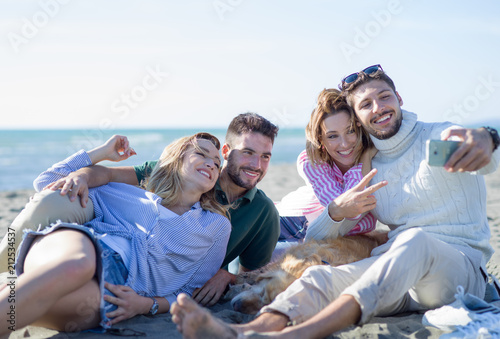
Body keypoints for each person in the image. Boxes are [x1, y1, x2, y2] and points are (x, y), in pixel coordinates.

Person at [169, 64, 500, 339]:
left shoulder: (440, 134)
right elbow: (324, 232)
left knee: (414, 241)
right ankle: (248, 333)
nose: (378, 108)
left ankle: (295, 336)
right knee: (319, 277)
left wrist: (488, 138)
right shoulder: (371, 163)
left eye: (384, 97)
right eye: (366, 104)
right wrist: (338, 210)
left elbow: (485, 157)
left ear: (399, 98)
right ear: (358, 116)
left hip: (459, 271)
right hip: (400, 274)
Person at [0, 112, 280, 307]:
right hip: (98, 226)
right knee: (48, 199)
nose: (256, 164)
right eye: (248, 152)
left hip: (132, 270)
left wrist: (228, 275)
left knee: (68, 283)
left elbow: (252, 275)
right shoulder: (176, 172)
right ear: (228, 151)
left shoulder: (263, 212)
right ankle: (5, 268)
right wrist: (84, 174)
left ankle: (15, 292)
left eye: (265, 156)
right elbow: (107, 176)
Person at [0, 132, 231, 334]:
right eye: (202, 153)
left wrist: (146, 304)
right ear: (177, 158)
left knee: (57, 307)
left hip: (118, 288)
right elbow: (47, 183)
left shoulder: (216, 226)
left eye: (217, 163)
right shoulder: (131, 194)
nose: (211, 163)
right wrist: (100, 153)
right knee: (77, 264)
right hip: (82, 244)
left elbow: (190, 291)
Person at [272, 88, 382, 259]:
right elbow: (351, 207)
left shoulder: (379, 162)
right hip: (287, 223)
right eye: (332, 136)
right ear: (320, 139)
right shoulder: (311, 161)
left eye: (350, 131)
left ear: (360, 128)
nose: (344, 143)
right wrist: (365, 159)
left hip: (322, 237)